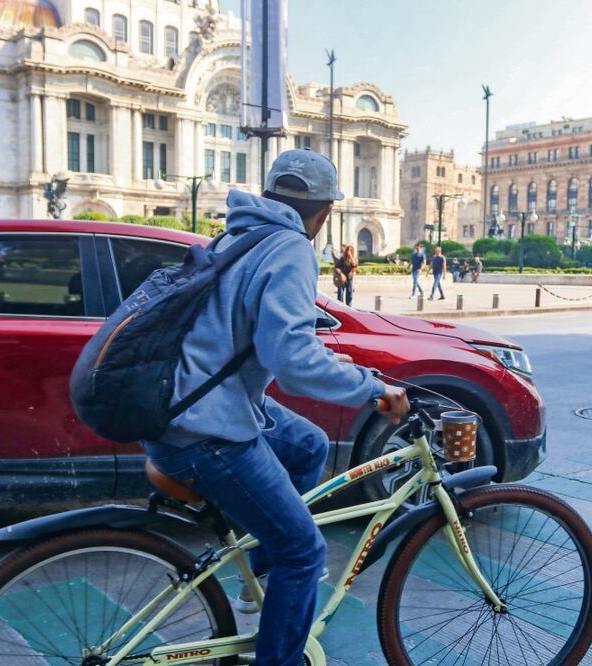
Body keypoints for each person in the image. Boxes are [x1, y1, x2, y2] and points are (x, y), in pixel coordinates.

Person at [142, 148, 409, 665]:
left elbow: (269, 337)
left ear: (268, 194)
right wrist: (371, 387)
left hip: (179, 409)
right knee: (305, 553)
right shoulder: (289, 247)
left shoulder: (235, 236)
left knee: (308, 444)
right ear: (325, 211)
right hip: (206, 432)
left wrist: (334, 362)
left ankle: (257, 576)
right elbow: (291, 361)